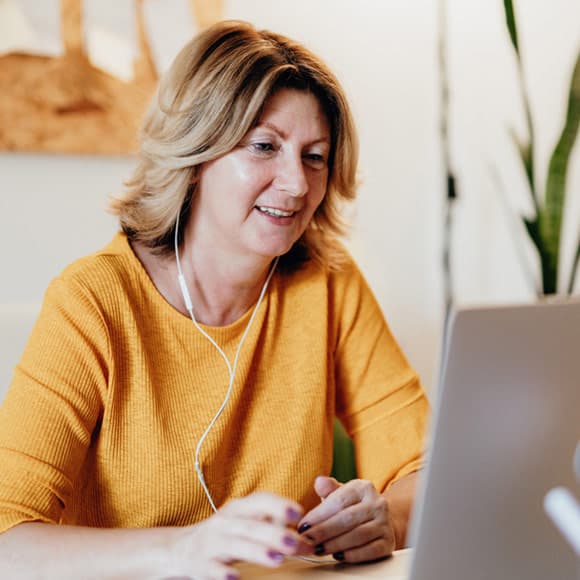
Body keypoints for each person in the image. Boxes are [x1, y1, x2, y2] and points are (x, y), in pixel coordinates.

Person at [0, 20, 429, 580]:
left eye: (315, 156)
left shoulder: (329, 283)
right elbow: (8, 537)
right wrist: (181, 551)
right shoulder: (93, 302)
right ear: (196, 154)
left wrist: (388, 519)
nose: (297, 183)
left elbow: (428, 472)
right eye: (264, 146)